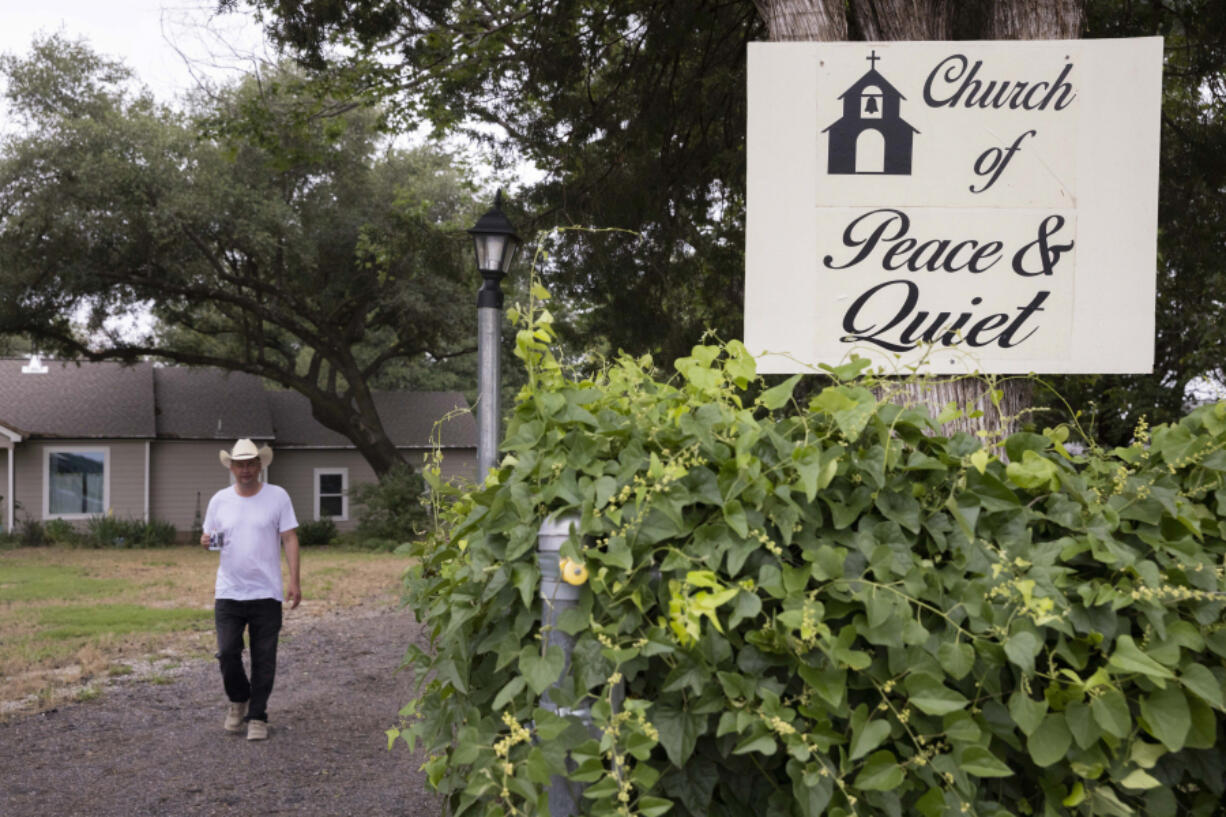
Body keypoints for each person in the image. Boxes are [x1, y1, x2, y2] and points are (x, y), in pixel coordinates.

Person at [200, 438, 301, 741]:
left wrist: (294, 581)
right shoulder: (219, 500)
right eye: (239, 464)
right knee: (228, 652)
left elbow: (290, 538)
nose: (245, 470)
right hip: (229, 591)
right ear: (231, 467)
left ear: (260, 465)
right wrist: (207, 542)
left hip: (266, 592)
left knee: (264, 657)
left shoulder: (277, 497)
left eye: (250, 463)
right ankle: (238, 700)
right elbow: (215, 540)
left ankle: (258, 716)